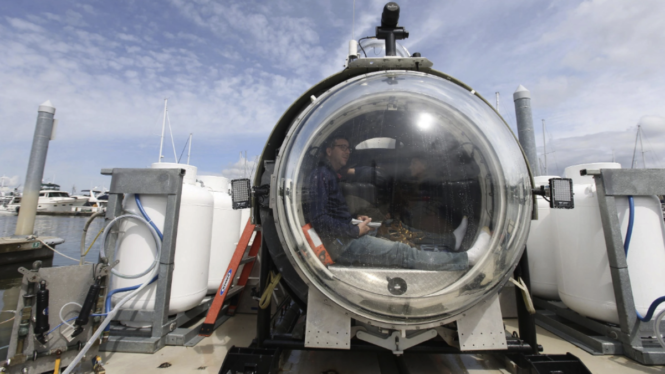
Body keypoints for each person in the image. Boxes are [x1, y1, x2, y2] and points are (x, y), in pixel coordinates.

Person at [307, 135, 490, 270]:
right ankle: (466, 259)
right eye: (342, 147)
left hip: (344, 234)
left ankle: (450, 240)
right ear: (329, 151)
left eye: (348, 148)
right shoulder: (320, 175)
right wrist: (354, 230)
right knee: (401, 251)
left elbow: (331, 212)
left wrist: (354, 219)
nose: (347, 151)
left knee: (392, 226)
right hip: (340, 245)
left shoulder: (330, 175)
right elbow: (320, 219)